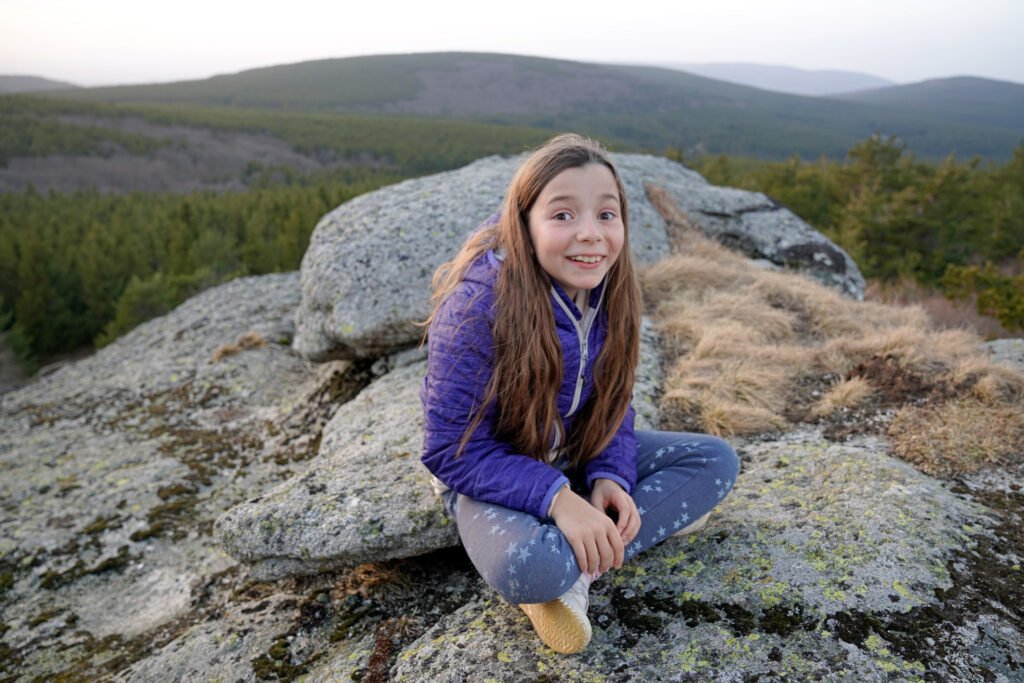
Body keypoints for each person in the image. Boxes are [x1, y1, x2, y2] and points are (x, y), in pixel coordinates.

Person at [420, 133, 739, 654]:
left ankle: (582, 568)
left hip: (573, 449)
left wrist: (610, 474)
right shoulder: (476, 307)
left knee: (716, 461)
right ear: (524, 223)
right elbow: (451, 450)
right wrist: (558, 498)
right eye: (563, 215)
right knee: (532, 568)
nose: (590, 235)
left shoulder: (608, 287)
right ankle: (569, 565)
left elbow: (613, 402)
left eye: (606, 215)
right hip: (490, 472)